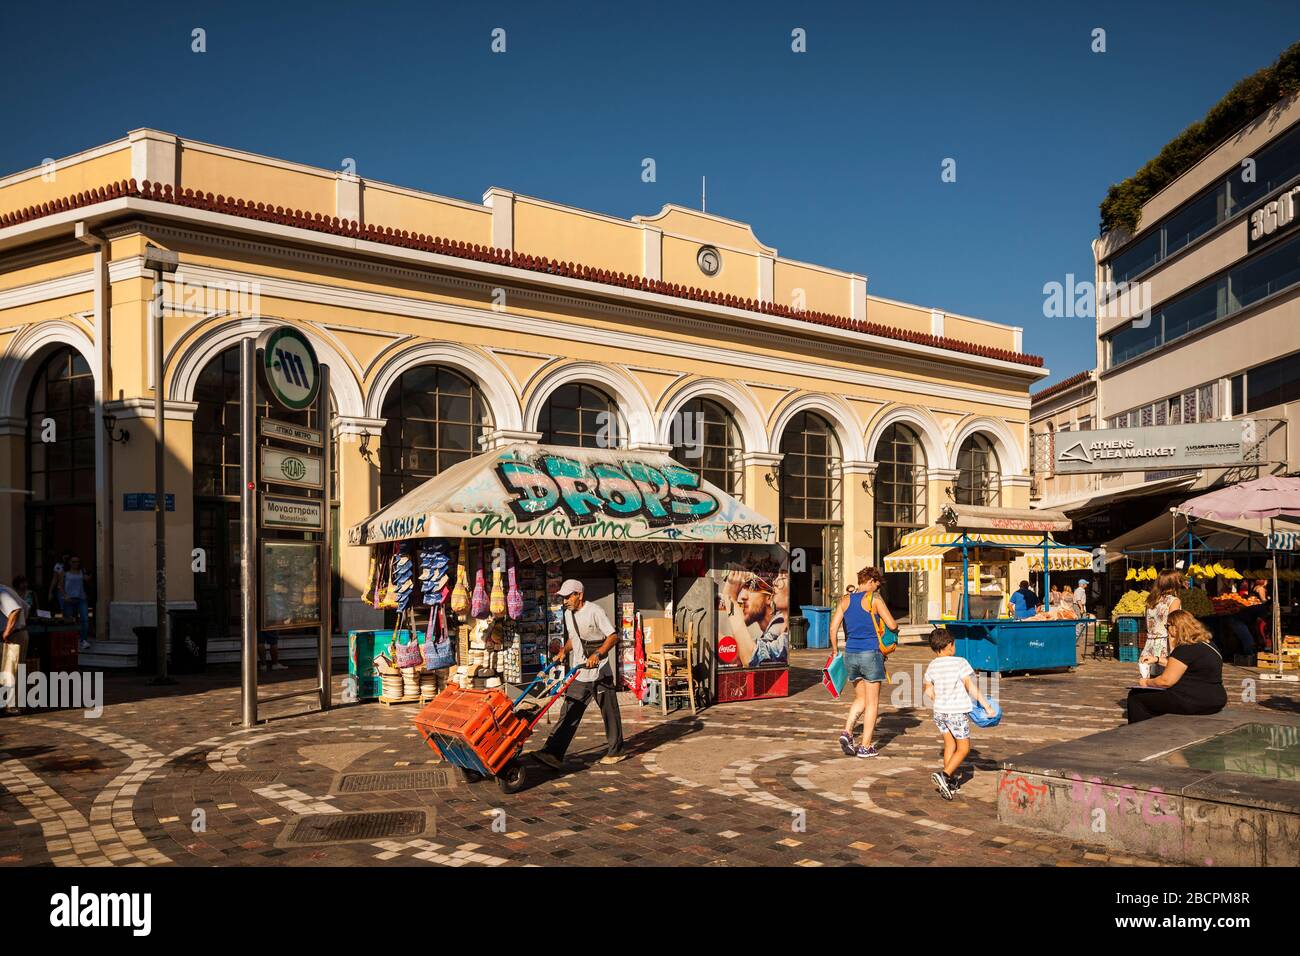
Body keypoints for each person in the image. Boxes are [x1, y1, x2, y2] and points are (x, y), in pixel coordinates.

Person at [535, 579, 626, 770]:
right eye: (564, 597)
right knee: (569, 711)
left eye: (569, 596)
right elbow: (573, 638)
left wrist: (598, 654)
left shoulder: (595, 611)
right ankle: (553, 753)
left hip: (600, 671)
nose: (565, 600)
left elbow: (613, 636)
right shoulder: (568, 614)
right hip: (579, 672)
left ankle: (616, 750)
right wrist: (563, 651)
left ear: (579, 595)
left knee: (609, 712)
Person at [828, 566, 897, 758]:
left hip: (850, 654)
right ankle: (866, 746)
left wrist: (835, 651)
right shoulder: (874, 599)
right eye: (876, 584)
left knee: (860, 698)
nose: (877, 588)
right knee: (872, 702)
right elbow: (893, 624)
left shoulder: (845, 600)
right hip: (871, 654)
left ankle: (847, 732)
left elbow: (833, 629)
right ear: (870, 582)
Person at [924, 627, 995, 800]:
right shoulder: (960, 662)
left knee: (950, 745)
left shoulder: (932, 665)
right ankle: (945, 775)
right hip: (956, 713)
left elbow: (928, 690)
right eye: (954, 644)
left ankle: (949, 782)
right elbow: (970, 686)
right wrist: (987, 706)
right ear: (950, 645)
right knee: (964, 748)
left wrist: (935, 695)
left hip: (940, 713)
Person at [1127, 610, 1227, 723]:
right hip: (1215, 699)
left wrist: (1146, 682)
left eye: (1167, 626)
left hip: (1194, 700)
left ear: (1176, 627)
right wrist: (1157, 659)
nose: (1167, 629)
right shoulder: (1207, 644)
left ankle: (1141, 733)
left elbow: (1166, 681)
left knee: (1136, 697)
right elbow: (1184, 665)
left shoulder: (1185, 648)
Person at [720, 569, 788, 667]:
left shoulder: (779, 623)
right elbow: (743, 654)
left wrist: (730, 600)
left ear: (770, 597)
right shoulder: (777, 629)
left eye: (752, 588)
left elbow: (752, 658)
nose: (743, 596)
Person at [1141, 569, 1184, 678]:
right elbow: (1172, 627)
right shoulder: (1174, 601)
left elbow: (1146, 625)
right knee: (1167, 682)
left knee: (1151, 681)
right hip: (1165, 645)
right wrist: (1174, 651)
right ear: (1174, 583)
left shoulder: (1151, 600)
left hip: (1149, 645)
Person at [1, 575, 31, 715]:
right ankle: (16, 704)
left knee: (12, 671)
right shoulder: (7, 590)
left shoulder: (2, 592)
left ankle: (14, 706)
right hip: (19, 632)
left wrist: (7, 632)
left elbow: (15, 610)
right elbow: (26, 607)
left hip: (14, 635)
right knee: (15, 669)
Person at [58, 555, 92, 650]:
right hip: (69, 599)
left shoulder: (81, 571)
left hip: (81, 598)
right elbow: (60, 586)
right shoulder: (64, 572)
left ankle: (83, 640)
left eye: (77, 562)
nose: (75, 563)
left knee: (84, 620)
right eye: (73, 561)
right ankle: (69, 641)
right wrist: (65, 596)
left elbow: (87, 580)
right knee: (69, 621)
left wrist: (89, 576)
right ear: (69, 562)